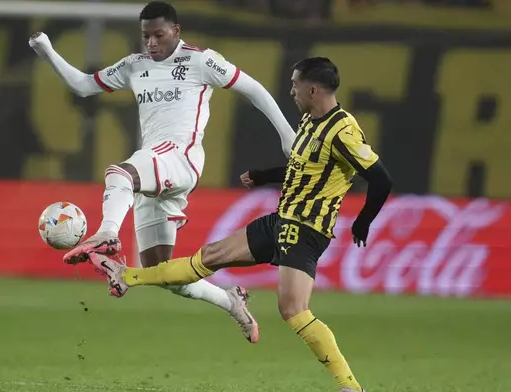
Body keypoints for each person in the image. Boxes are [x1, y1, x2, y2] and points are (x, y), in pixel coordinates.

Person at [89, 57, 394, 392]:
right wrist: (264, 176)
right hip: (281, 220)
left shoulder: (344, 131)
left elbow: (380, 179)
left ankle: (350, 386)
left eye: (294, 85)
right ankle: (128, 275)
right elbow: (302, 169)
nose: (290, 90)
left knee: (293, 310)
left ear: (313, 89)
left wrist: (363, 222)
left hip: (306, 228)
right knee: (209, 257)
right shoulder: (310, 121)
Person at [29, 1, 296, 343]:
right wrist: (47, 50)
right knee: (166, 273)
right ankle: (230, 301)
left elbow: (254, 89)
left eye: (158, 35)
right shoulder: (134, 65)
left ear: (176, 31)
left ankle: (108, 233)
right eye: (146, 36)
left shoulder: (202, 60)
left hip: (180, 157)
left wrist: (287, 135)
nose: (152, 43)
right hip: (157, 169)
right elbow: (83, 85)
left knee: (119, 173)